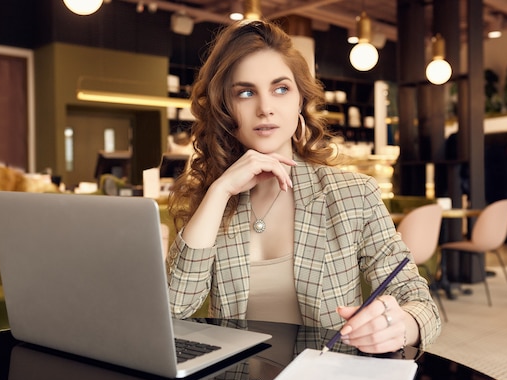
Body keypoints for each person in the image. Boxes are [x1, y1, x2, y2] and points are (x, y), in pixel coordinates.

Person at [167, 19, 441, 353]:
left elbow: (420, 302)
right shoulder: (211, 198)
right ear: (225, 107)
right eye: (246, 92)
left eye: (280, 88)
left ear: (299, 100)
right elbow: (173, 309)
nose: (265, 107)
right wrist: (220, 191)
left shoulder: (353, 194)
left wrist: (401, 325)